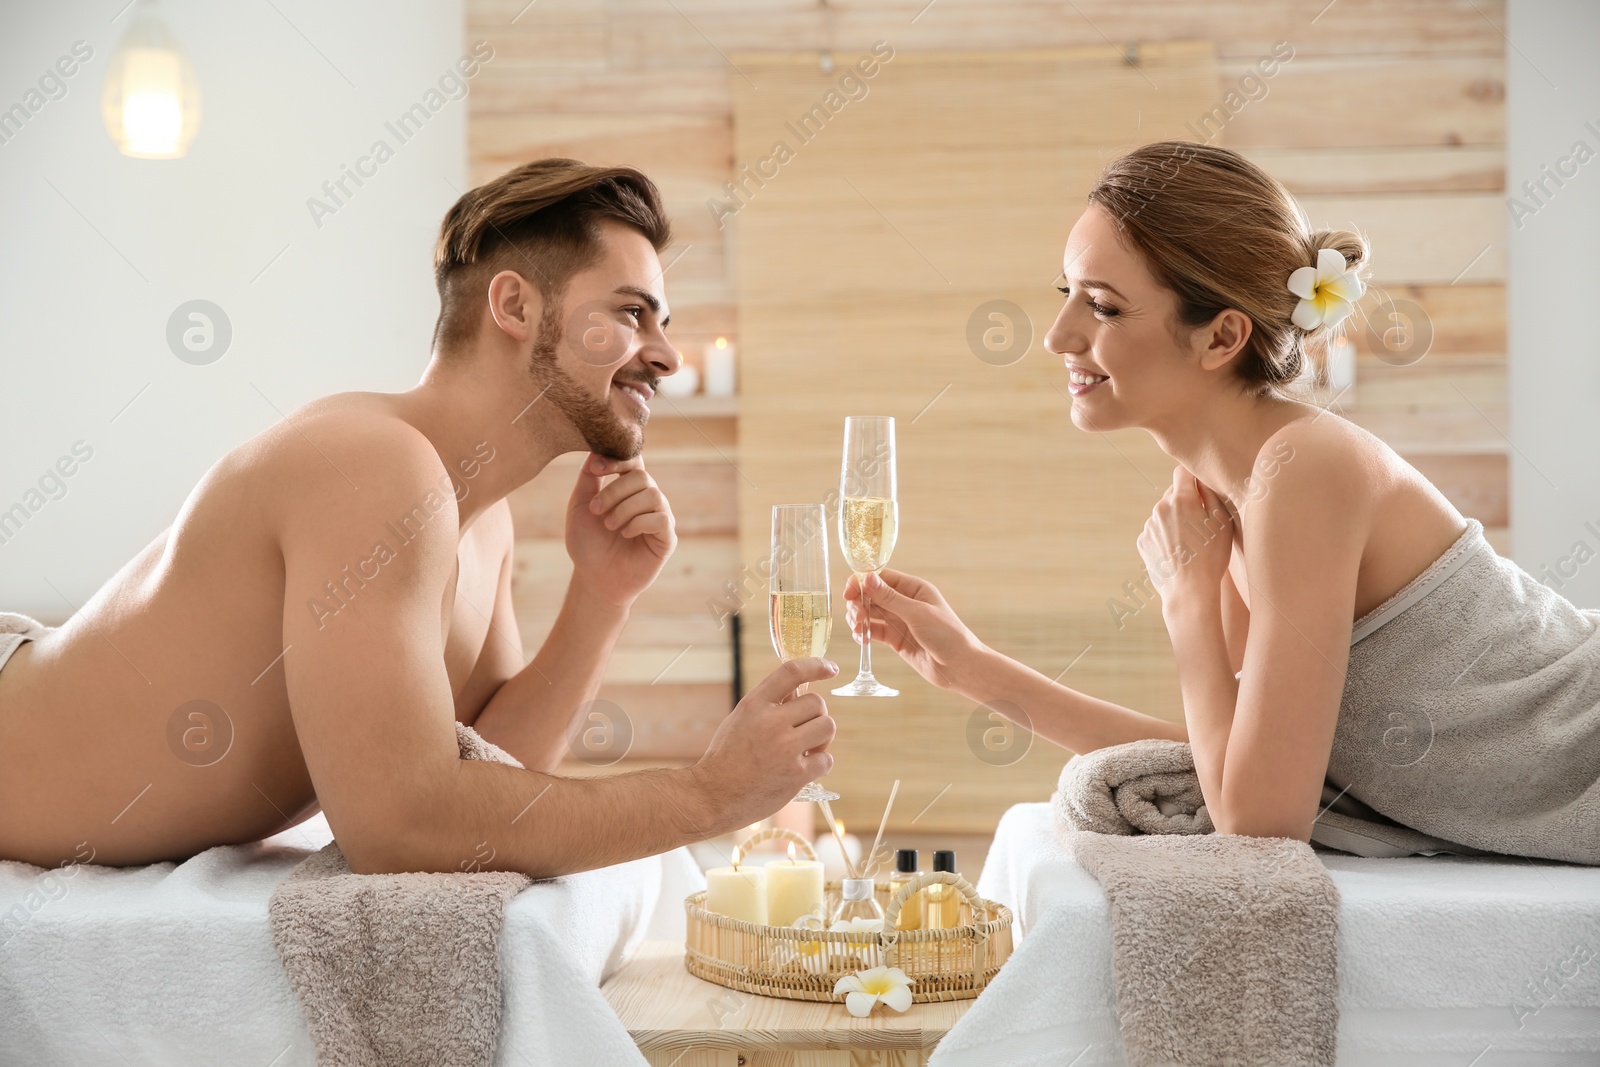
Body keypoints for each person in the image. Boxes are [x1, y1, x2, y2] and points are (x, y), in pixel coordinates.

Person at [0, 159, 837, 875]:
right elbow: (400, 824)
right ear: (515, 307)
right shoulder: (374, 465)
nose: (665, 353)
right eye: (630, 312)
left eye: (661, 320)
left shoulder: (484, 521)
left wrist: (602, 596)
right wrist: (707, 794)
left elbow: (486, 768)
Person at [845, 141, 1599, 866]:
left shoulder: (1302, 467)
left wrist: (1187, 604)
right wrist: (971, 669)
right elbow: (1234, 766)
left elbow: (1260, 821)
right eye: (1065, 294)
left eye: (1102, 307)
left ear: (1221, 337)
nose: (1057, 335)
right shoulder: (1229, 499)